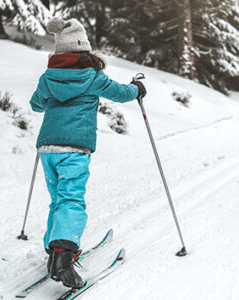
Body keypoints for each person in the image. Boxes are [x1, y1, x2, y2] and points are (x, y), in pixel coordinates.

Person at [29, 17, 146, 289]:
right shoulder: (93, 77)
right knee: (72, 199)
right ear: (84, 49)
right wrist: (137, 89)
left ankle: (55, 252)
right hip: (75, 148)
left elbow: (36, 104)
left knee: (58, 199)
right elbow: (121, 93)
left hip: (47, 148)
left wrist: (48, 95)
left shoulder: (48, 77)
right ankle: (64, 257)